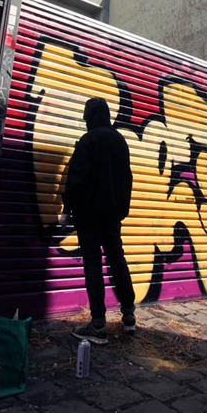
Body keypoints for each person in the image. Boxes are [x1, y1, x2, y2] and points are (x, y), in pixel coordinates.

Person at [62, 97, 136, 344]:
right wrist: (121, 210)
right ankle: (129, 317)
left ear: (90, 115)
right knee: (117, 260)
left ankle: (97, 325)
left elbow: (76, 178)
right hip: (112, 215)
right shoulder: (119, 140)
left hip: (89, 215)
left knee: (93, 265)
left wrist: (67, 208)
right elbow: (126, 178)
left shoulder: (89, 140)